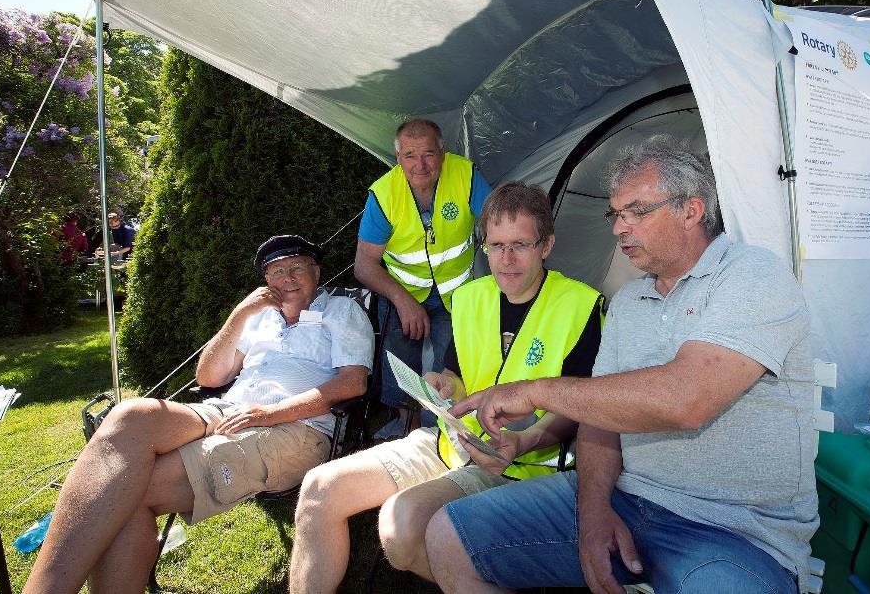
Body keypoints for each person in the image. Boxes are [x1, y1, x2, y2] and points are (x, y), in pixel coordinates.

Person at [425, 142, 818, 594]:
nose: (620, 229)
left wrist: (536, 391)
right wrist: (594, 515)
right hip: (627, 500)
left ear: (691, 210)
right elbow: (600, 421)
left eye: (636, 212)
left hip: (733, 530)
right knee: (448, 536)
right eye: (615, 215)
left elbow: (686, 401)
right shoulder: (631, 301)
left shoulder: (754, 277)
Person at [290, 182, 603, 593]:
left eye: (520, 245)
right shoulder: (471, 297)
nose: (506, 260)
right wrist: (443, 384)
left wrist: (522, 443)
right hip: (452, 442)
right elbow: (458, 374)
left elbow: (579, 410)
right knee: (319, 489)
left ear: (546, 246)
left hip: (520, 467)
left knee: (400, 532)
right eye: (495, 246)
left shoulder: (580, 305)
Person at [23, 235, 374, 594]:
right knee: (131, 415)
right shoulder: (260, 318)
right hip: (229, 412)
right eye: (276, 271)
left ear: (316, 271)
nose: (287, 277)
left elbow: (352, 383)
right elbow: (208, 377)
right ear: (266, 282)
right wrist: (240, 315)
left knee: (127, 493)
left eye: (296, 267)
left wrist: (269, 413)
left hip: (296, 428)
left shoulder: (342, 311)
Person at [354, 118, 492, 435]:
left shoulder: (465, 175)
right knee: (400, 371)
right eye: (410, 156)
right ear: (398, 158)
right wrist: (403, 301)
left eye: (429, 153)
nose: (420, 165)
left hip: (456, 296)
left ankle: (438, 437)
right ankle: (407, 428)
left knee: (449, 371)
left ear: (443, 152)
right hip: (402, 293)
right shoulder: (384, 194)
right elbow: (364, 265)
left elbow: (496, 222)